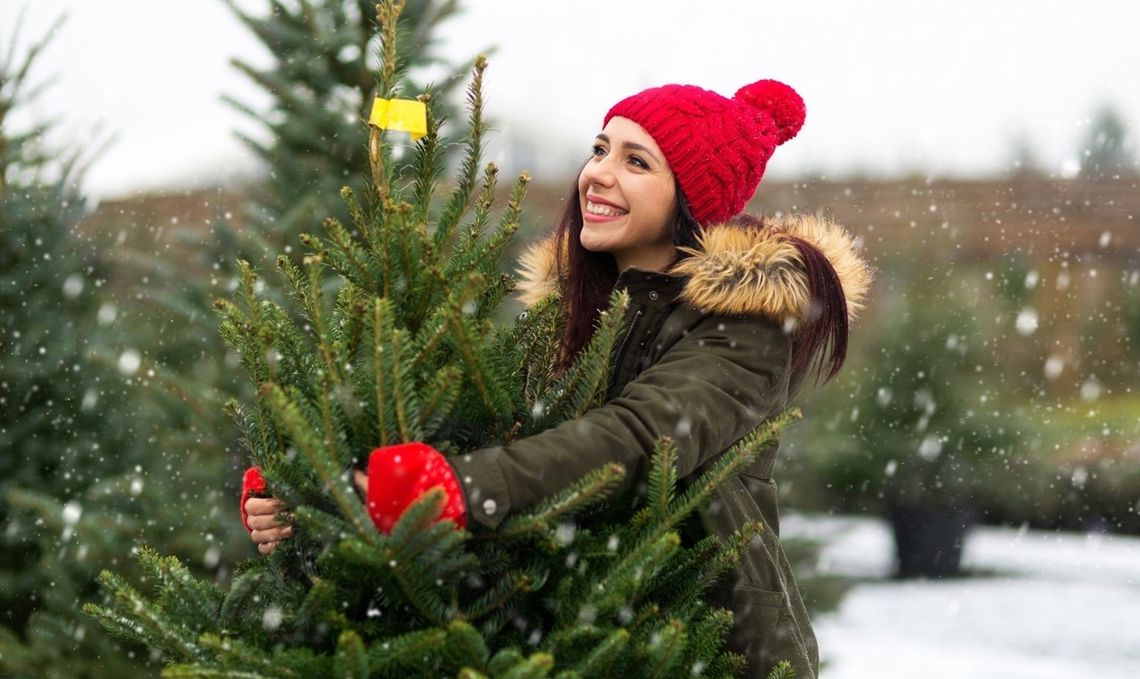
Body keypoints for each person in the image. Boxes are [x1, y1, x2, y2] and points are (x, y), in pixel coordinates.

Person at [242, 78, 871, 678]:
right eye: (600, 149)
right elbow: (501, 438)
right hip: (573, 635)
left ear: (690, 200)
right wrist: (316, 497)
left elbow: (636, 439)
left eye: (637, 161)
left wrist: (452, 489)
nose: (598, 173)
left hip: (708, 646)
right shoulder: (568, 319)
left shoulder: (746, 328)